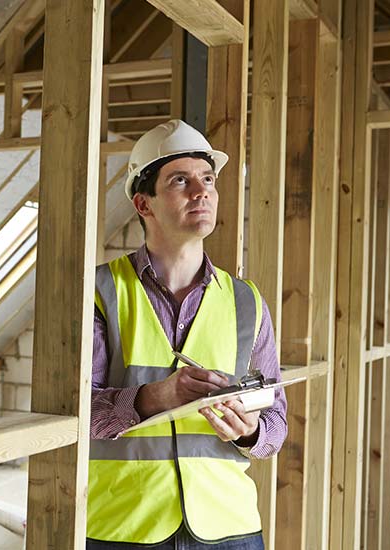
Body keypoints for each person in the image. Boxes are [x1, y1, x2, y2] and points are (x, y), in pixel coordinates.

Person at [87, 120, 288, 549]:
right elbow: (73, 413)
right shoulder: (101, 292)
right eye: (181, 180)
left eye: (208, 180)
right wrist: (153, 397)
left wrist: (250, 430)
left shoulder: (246, 301)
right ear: (144, 204)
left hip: (228, 527)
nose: (202, 192)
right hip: (124, 526)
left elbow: (276, 422)